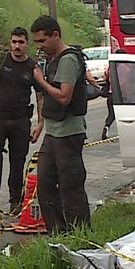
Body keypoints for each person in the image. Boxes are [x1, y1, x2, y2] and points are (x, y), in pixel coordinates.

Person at [30, 15, 90, 233]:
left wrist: (41, 81)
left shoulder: (68, 60)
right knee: (45, 184)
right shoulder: (53, 60)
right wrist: (40, 123)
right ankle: (58, 232)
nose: (40, 46)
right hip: (53, 132)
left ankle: (80, 234)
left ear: (55, 35)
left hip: (69, 133)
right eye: (36, 42)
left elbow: (64, 97)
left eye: (42, 40)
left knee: (70, 186)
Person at [0, 27, 44, 216]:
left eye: (21, 42)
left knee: (18, 162)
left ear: (27, 44)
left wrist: (40, 123)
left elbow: (40, 96)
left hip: (20, 121)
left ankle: (16, 201)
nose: (17, 46)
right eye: (14, 42)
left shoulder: (32, 67)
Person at [100, 49, 126, 140]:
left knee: (111, 114)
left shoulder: (111, 67)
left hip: (110, 93)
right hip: (120, 94)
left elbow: (105, 78)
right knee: (125, 114)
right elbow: (123, 82)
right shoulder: (124, 67)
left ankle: (106, 126)